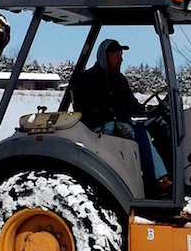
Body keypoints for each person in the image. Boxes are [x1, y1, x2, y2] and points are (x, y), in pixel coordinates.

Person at [72, 39, 171, 190]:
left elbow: (132, 105)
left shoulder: (120, 80)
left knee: (161, 124)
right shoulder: (87, 79)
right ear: (105, 56)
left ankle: (172, 172)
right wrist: (112, 121)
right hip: (99, 128)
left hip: (122, 124)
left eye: (121, 55)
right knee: (140, 133)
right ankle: (158, 179)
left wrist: (149, 111)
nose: (121, 59)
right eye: (117, 55)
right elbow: (85, 111)